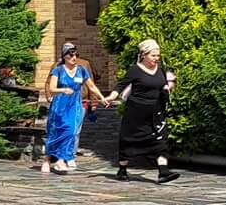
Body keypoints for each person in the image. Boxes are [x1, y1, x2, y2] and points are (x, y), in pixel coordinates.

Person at [112, 40, 176, 183]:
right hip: (135, 114)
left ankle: (163, 172)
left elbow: (164, 84)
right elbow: (121, 85)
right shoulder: (135, 70)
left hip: (155, 114)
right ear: (144, 55)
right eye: (153, 55)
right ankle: (122, 169)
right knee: (127, 143)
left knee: (161, 142)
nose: (156, 58)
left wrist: (168, 87)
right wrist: (111, 97)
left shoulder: (160, 69)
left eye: (158, 56)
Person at [42, 43, 100, 174]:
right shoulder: (58, 69)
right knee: (55, 133)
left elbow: (91, 86)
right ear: (64, 56)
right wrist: (60, 91)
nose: (74, 57)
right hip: (60, 105)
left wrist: (100, 99)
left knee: (72, 131)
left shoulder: (83, 67)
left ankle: (63, 159)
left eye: (76, 54)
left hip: (76, 105)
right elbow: (50, 86)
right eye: (71, 54)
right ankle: (47, 159)